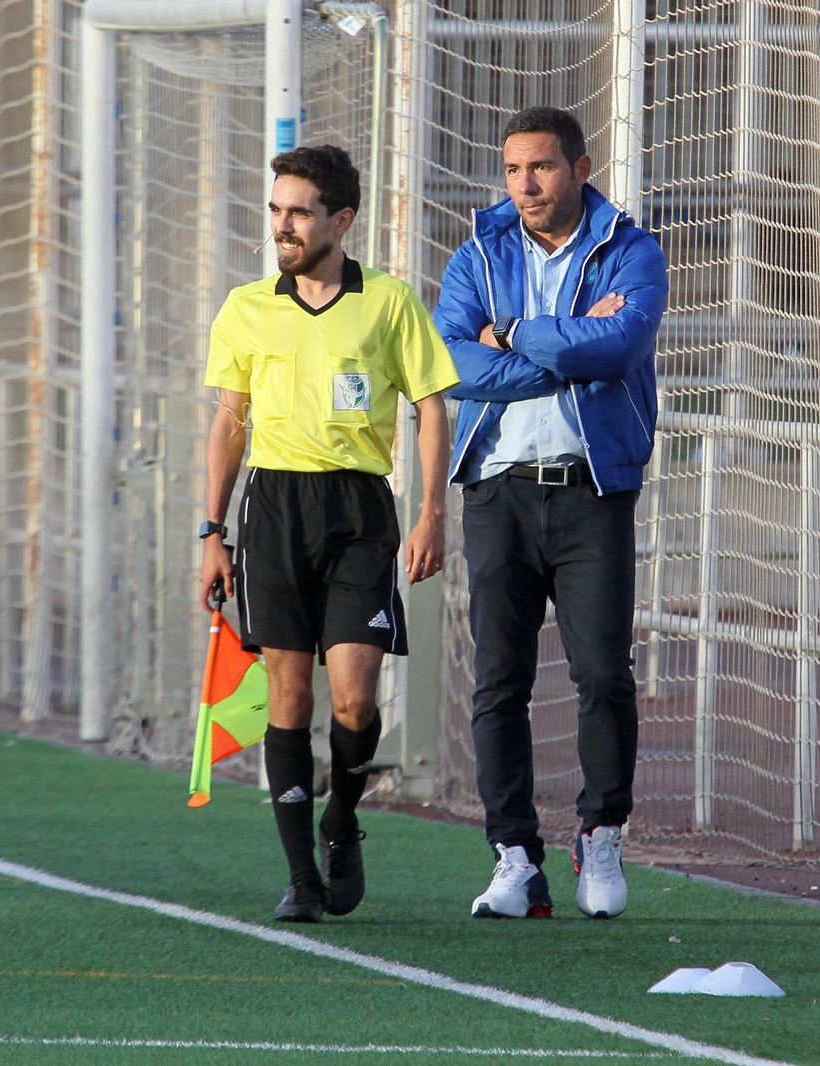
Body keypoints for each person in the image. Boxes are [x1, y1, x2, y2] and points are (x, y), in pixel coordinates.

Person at [197, 144, 460, 922]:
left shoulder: (389, 303)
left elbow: (432, 404)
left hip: (358, 515)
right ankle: (301, 877)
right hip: (274, 511)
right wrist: (212, 533)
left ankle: (342, 822)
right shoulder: (246, 307)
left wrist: (432, 513)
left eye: (300, 211)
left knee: (351, 700)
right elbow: (229, 421)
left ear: (341, 220)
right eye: (277, 209)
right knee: (288, 691)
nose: (284, 225)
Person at [433, 106, 668, 920]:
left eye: (540, 167)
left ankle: (600, 839)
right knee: (499, 679)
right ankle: (515, 858)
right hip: (496, 489)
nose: (525, 185)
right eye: (512, 170)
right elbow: (451, 363)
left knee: (603, 673)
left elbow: (617, 348)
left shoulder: (630, 250)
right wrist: (558, 347)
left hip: (591, 490)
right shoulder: (476, 256)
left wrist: (514, 336)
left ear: (579, 167)